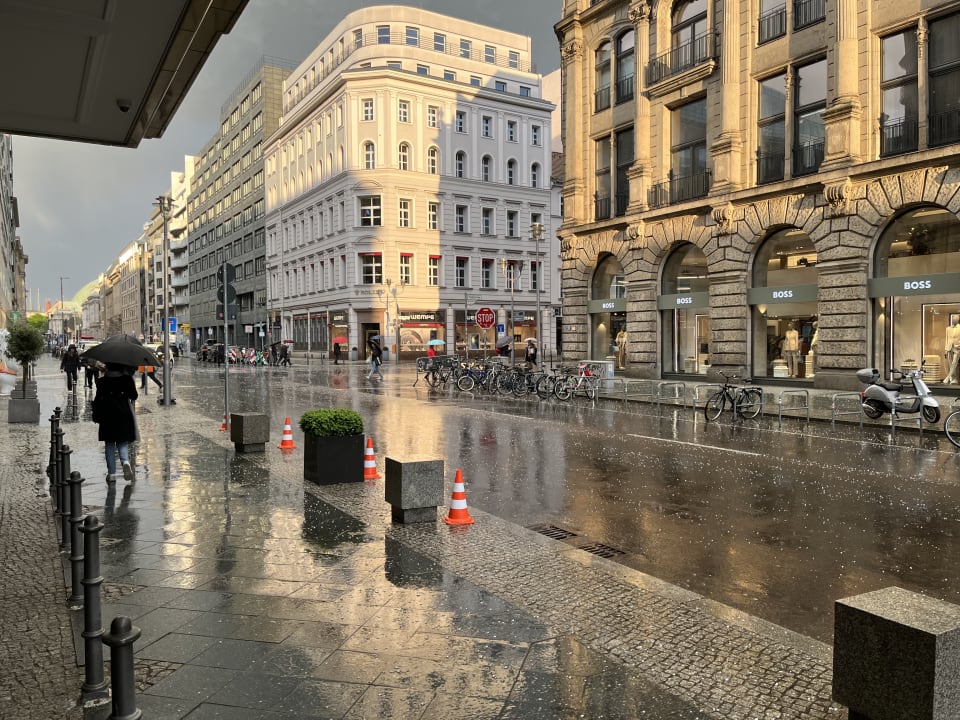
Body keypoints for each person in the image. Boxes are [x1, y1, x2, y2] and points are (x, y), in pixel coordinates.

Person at [92, 363, 138, 483]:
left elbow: (97, 399)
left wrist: (96, 415)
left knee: (110, 444)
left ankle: (111, 474)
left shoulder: (102, 381)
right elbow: (134, 395)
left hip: (107, 415)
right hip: (123, 414)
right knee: (122, 442)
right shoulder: (126, 379)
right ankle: (125, 462)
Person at [944, 317, 960, 384]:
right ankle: (954, 379)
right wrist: (945, 349)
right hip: (949, 347)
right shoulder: (948, 329)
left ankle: (948, 377)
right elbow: (947, 339)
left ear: (958, 320)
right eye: (953, 319)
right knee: (951, 364)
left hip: (957, 348)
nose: (954, 320)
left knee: (954, 363)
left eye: (955, 319)